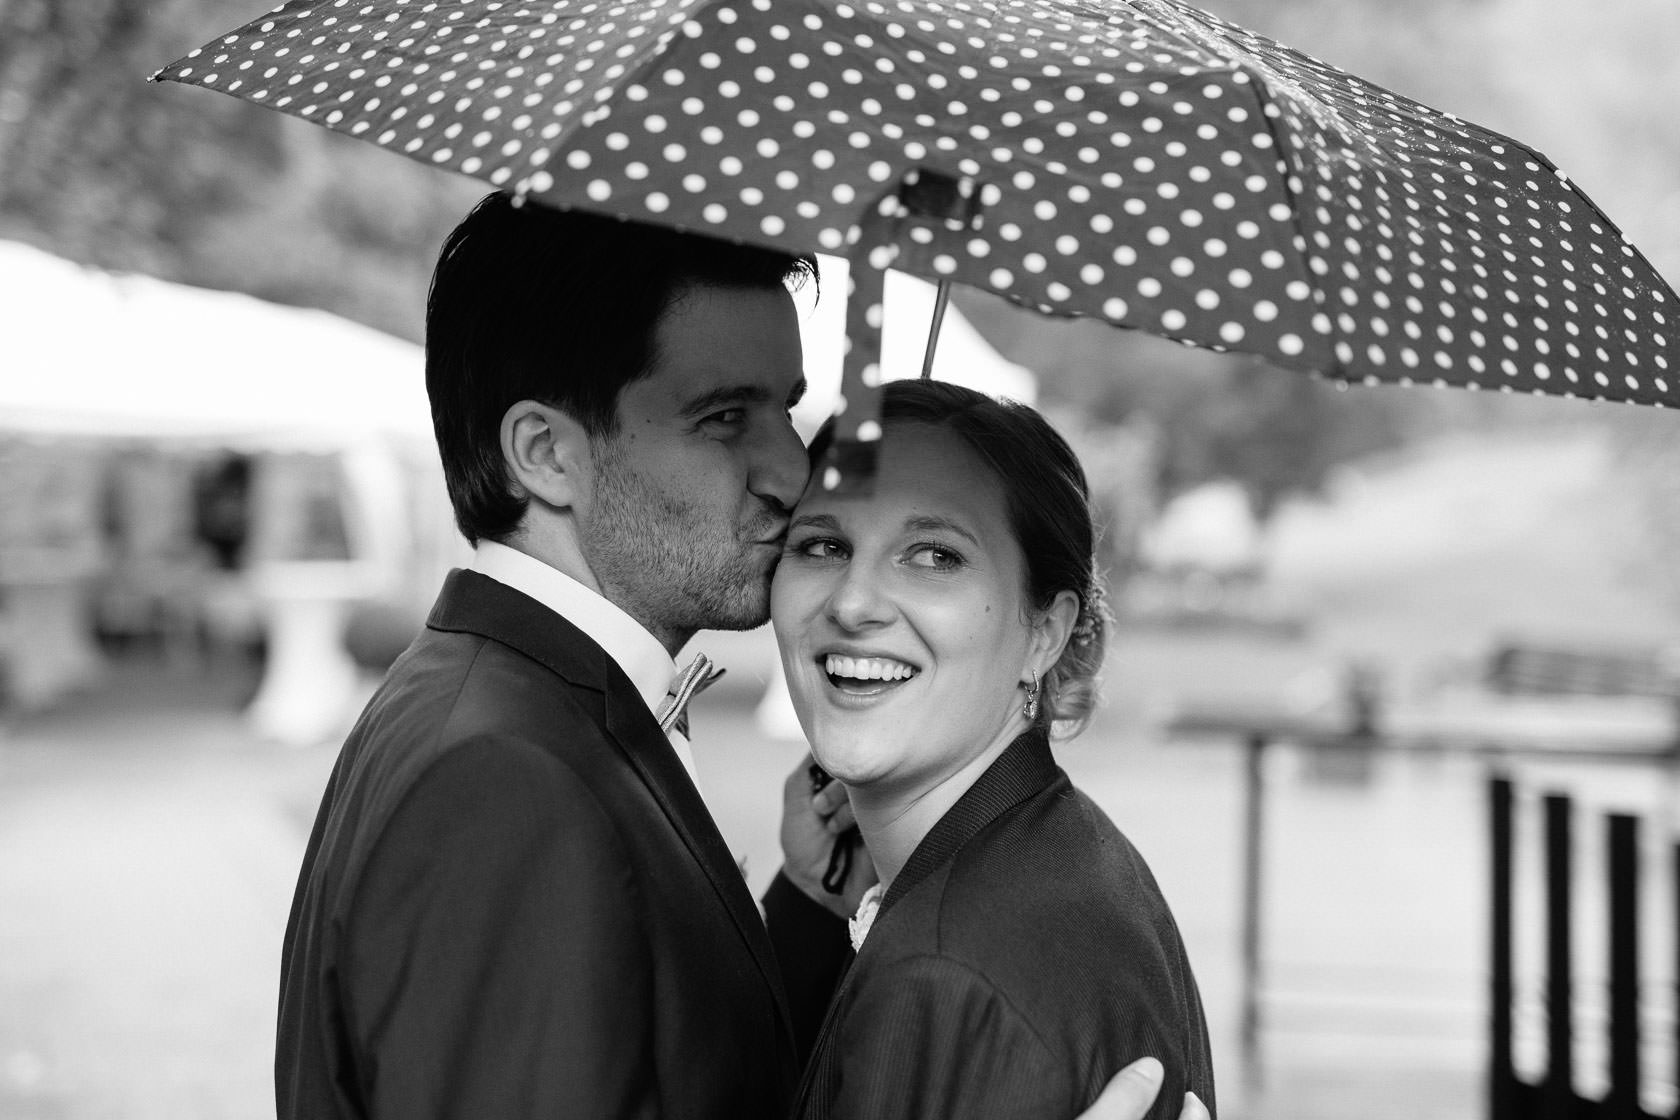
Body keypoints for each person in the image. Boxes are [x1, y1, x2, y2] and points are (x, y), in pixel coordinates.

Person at [275, 191, 1203, 1120]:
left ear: (1047, 626)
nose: (793, 472)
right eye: (724, 417)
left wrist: (805, 906)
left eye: (785, 409)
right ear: (546, 454)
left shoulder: (520, 707)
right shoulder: (504, 776)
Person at [774, 381, 1217, 1119]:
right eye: (824, 544)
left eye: (935, 555)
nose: (852, 603)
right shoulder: (1070, 854)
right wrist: (813, 909)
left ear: (1043, 632)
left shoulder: (943, 974)